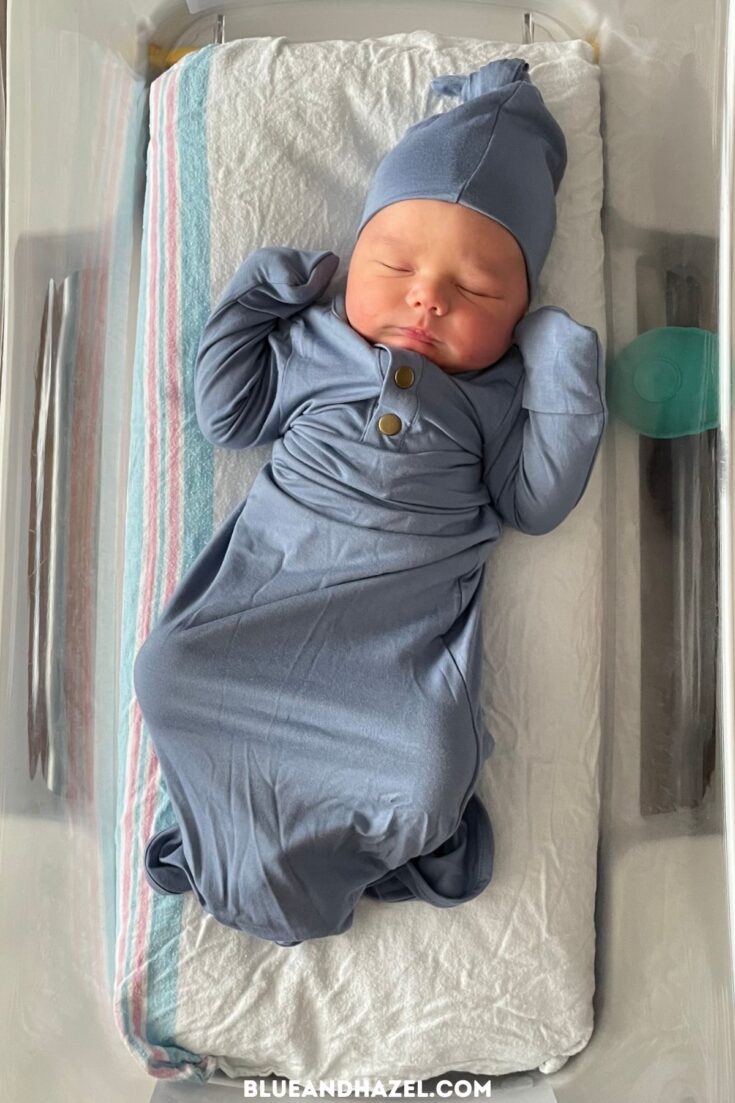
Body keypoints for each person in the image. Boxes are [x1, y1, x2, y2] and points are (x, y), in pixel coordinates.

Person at [133, 57, 608, 947]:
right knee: (165, 671)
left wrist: (561, 373)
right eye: (394, 264)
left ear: (518, 317)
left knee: (430, 770)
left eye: (473, 292)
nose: (427, 295)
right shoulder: (315, 342)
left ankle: (363, 849)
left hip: (391, 664)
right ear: (354, 257)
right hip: (258, 624)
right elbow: (227, 415)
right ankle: (242, 839)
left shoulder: (497, 394)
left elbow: (536, 502)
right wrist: (254, 301)